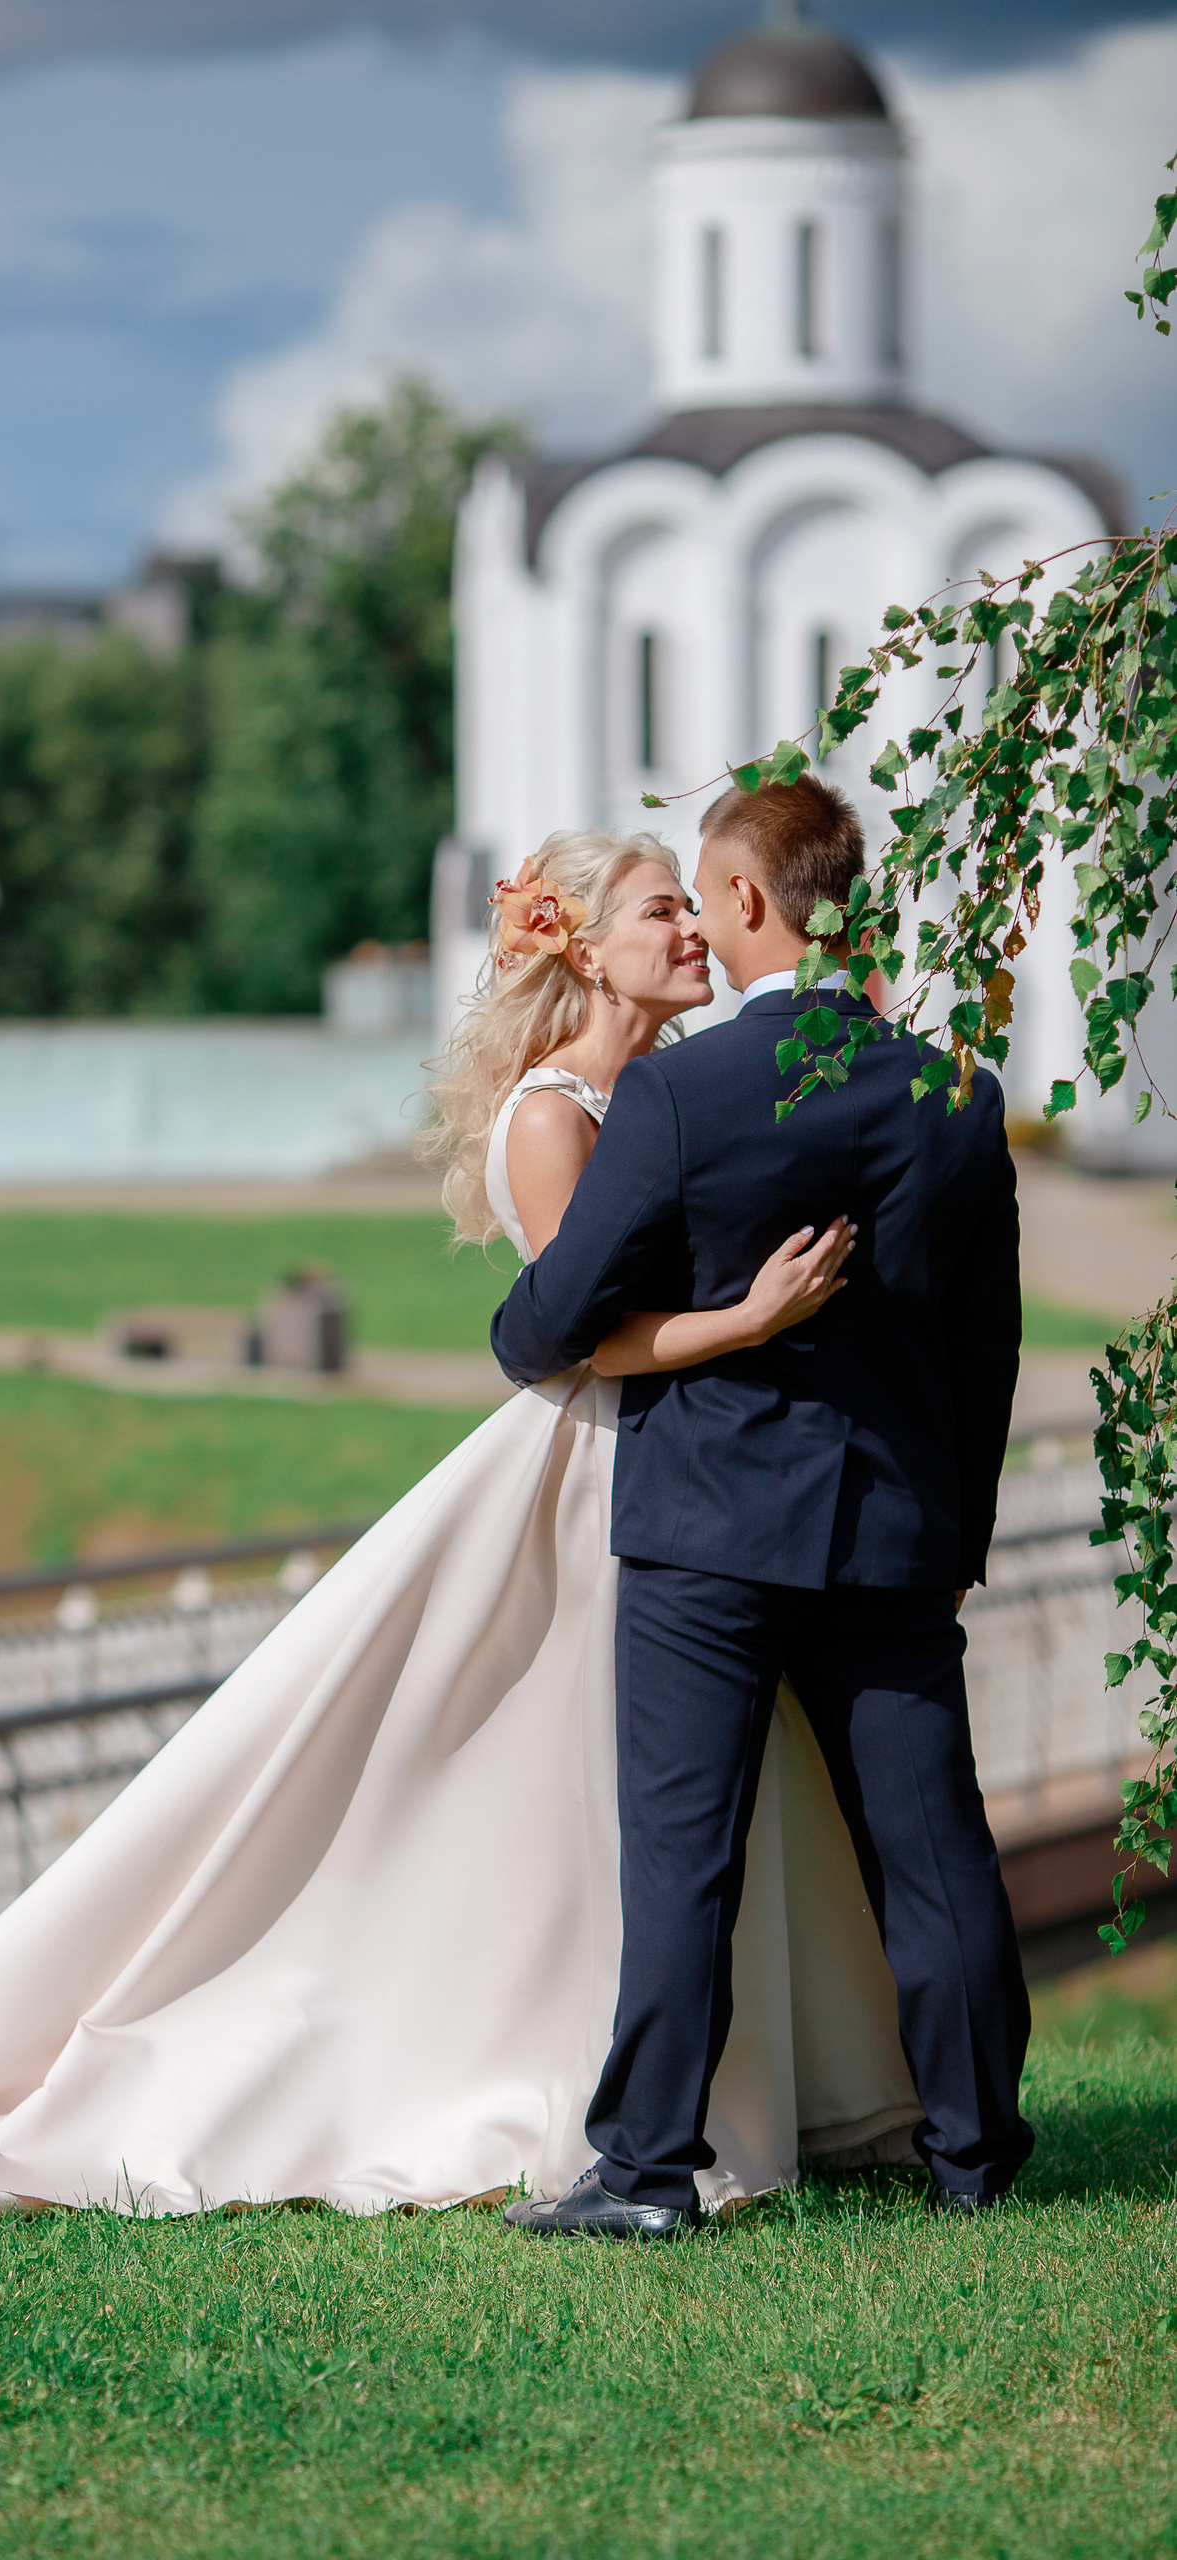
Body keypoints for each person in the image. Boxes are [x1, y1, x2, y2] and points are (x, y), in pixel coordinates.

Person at [0, 827, 921, 2227]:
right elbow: (578, 1333)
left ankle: (734, 2091)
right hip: (597, 1469)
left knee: (675, 1794)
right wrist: (749, 1320)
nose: (694, 931)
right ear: (590, 949)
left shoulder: (666, 1091)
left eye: (691, 907)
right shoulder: (555, 1117)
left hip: (677, 1471)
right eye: (664, 910)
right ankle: (568, 2092)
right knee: (579, 1796)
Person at [494, 777, 1031, 2244]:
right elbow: (986, 1349)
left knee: (685, 1860)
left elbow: (551, 1321)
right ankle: (978, 2159)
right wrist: (956, 1536)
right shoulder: (959, 1095)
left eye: (702, 892)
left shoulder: (681, 1095)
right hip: (895, 1537)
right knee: (935, 1855)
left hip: (705, 1537)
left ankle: (646, 2175)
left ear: (745, 898)